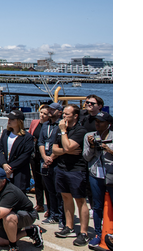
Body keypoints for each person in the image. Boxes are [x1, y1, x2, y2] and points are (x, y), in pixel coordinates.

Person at [0, 167, 43, 251]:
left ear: (3, 181)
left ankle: (13, 245)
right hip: (14, 213)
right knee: (1, 241)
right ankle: (31, 231)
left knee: (9, 217)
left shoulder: (10, 192)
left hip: (27, 215)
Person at [52, 104, 91, 246]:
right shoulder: (60, 129)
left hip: (76, 169)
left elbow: (68, 146)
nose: (64, 116)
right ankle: (69, 226)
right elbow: (55, 149)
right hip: (62, 168)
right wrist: (65, 150)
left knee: (80, 200)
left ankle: (84, 232)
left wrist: (63, 133)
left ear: (75, 116)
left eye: (67, 114)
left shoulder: (80, 131)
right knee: (65, 197)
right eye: (64, 114)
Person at [83, 111, 113, 248]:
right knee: (97, 206)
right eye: (96, 121)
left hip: (112, 175)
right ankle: (98, 234)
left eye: (101, 122)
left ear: (109, 124)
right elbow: (86, 157)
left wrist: (109, 149)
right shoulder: (89, 136)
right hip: (96, 174)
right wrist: (91, 146)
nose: (97, 124)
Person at [38, 102, 64, 227]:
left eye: (53, 109)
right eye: (50, 109)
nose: (50, 111)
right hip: (45, 161)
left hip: (57, 162)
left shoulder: (62, 125)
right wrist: (44, 157)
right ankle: (53, 213)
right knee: (50, 190)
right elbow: (41, 142)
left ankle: (61, 215)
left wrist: (52, 158)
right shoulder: (45, 125)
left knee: (59, 190)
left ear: (59, 112)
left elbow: (62, 144)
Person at [0, 110, 35, 193]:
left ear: (19, 121)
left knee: (18, 195)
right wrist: (4, 164)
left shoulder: (27, 137)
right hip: (4, 169)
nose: (9, 121)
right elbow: (0, 149)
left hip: (19, 172)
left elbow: (25, 156)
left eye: (12, 119)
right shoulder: (5, 133)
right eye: (9, 119)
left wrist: (10, 167)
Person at [29, 105, 48, 213]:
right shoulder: (34, 122)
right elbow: (30, 135)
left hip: (44, 156)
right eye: (41, 112)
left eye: (45, 114)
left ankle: (50, 207)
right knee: (37, 181)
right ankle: (39, 204)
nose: (42, 115)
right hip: (34, 155)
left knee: (45, 182)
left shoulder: (49, 125)